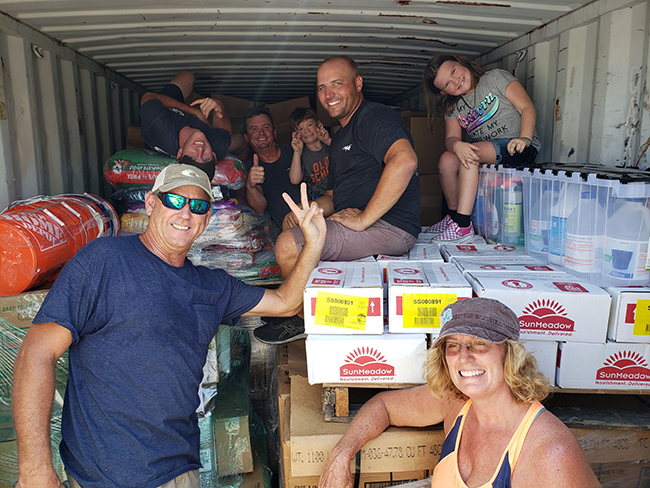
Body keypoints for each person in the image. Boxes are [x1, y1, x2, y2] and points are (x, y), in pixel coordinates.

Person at [13, 164, 326, 488]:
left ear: (206, 219)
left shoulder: (212, 286)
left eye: (198, 206)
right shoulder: (102, 261)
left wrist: (313, 245)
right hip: (101, 477)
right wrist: (35, 470)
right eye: (174, 201)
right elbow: (37, 353)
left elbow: (286, 302)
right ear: (151, 204)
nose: (186, 213)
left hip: (178, 475)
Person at [318, 298, 601, 488]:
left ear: (509, 354)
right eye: (453, 345)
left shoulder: (550, 454)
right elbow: (384, 406)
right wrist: (341, 454)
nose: (464, 357)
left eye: (479, 344)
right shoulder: (457, 404)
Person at [253, 56, 420, 345]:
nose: (328, 95)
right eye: (321, 88)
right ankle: (295, 306)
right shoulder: (341, 136)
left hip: (389, 226)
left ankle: (299, 318)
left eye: (336, 84)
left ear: (357, 84)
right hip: (365, 222)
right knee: (293, 229)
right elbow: (333, 197)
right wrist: (310, 212)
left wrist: (365, 218)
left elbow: (404, 161)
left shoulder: (372, 117)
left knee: (288, 244)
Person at [422, 54, 540, 243]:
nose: (456, 81)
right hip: (486, 150)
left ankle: (462, 225)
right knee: (447, 159)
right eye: (447, 84)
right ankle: (453, 216)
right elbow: (451, 138)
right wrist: (457, 145)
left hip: (517, 146)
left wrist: (525, 138)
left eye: (454, 71)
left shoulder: (495, 78)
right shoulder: (453, 106)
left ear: (461, 62)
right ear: (444, 92)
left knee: (471, 152)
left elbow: (526, 107)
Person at [139, 70, 247, 180]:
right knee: (238, 141)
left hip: (168, 110)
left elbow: (148, 96)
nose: (200, 150)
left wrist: (193, 111)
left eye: (192, 156)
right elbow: (226, 132)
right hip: (188, 119)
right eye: (206, 158)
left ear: (180, 153)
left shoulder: (159, 124)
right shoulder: (216, 146)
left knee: (186, 76)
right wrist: (219, 108)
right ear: (214, 156)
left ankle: (187, 102)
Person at [242, 105, 301, 231]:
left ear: (274, 133)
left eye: (266, 127)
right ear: (246, 137)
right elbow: (260, 209)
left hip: (317, 219)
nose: (261, 133)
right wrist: (250, 186)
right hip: (287, 234)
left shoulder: (295, 150)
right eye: (254, 129)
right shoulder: (247, 168)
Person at [288, 107, 332, 201]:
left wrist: (328, 140)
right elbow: (295, 180)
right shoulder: (301, 156)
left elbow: (347, 158)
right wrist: (297, 152)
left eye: (310, 125)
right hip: (321, 197)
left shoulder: (329, 144)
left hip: (342, 187)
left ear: (318, 124)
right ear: (296, 134)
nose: (306, 131)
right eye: (301, 129)